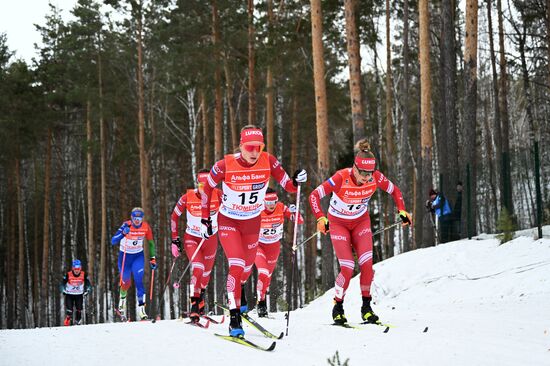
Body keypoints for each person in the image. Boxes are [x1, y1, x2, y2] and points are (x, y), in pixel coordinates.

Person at [200, 125, 307, 337]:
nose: (254, 152)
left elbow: (289, 185)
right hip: (229, 221)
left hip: (252, 223)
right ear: (241, 146)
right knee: (237, 264)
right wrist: (205, 218)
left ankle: (239, 291)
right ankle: (234, 317)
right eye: (250, 147)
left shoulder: (268, 160)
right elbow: (207, 189)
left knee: (246, 270)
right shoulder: (224, 165)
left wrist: (297, 179)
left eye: (259, 147)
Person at [309, 139, 412, 325]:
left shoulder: (376, 178)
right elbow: (314, 195)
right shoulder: (341, 177)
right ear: (354, 168)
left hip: (360, 223)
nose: (366, 178)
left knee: (367, 266)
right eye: (363, 174)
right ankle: (338, 306)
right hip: (338, 223)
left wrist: (402, 210)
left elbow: (395, 191)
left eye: (369, 174)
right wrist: (320, 217)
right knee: (347, 267)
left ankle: (366, 307)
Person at [170, 169, 222, 322]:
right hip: (192, 238)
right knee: (198, 268)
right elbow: (174, 216)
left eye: (207, 185)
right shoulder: (187, 197)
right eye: (201, 184)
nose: (204, 188)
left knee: (206, 275)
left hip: (210, 240)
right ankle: (194, 306)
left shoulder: (218, 195)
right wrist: (175, 239)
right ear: (197, 184)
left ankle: (200, 301)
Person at [250, 188, 304, 318]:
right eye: (268, 203)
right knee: (263, 272)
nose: (271, 205)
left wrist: (295, 212)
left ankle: (262, 304)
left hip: (274, 246)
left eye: (273, 202)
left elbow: (299, 221)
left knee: (267, 277)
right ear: (263, 202)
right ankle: (261, 303)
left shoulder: (281, 208)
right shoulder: (258, 210)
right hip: (259, 246)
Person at [111, 207, 157, 320]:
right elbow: (113, 241)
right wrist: (122, 233)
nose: (137, 220)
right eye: (135, 218)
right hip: (125, 257)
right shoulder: (126, 225)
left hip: (138, 256)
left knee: (139, 281)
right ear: (131, 218)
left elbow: (151, 243)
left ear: (142, 218)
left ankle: (142, 311)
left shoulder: (146, 227)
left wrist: (153, 258)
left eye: (139, 218)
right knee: (126, 283)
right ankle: (122, 303)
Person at [60, 259, 92, 326]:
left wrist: (88, 290)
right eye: (75, 268)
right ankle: (68, 318)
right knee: (69, 310)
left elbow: (88, 284)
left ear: (80, 268)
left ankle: (78, 321)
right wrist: (63, 290)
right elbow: (62, 283)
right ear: (73, 268)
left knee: (79, 309)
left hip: (79, 295)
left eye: (78, 268)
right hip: (69, 294)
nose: (77, 270)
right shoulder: (68, 274)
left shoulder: (83, 274)